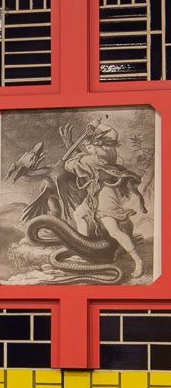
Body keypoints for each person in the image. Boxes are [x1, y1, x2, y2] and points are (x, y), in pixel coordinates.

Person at [62, 119, 148, 279]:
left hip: (104, 195)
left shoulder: (93, 159)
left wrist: (75, 152)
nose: (87, 150)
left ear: (96, 145)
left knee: (114, 230)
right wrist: (96, 125)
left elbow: (68, 165)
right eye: (86, 147)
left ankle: (138, 261)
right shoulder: (108, 151)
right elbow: (113, 133)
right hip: (97, 192)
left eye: (89, 147)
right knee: (79, 214)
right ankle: (86, 250)